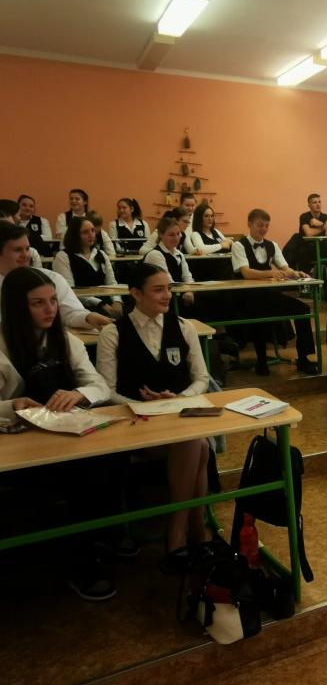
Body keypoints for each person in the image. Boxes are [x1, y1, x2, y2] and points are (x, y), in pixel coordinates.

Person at [0, 266, 113, 599]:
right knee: (74, 477)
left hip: (66, 434)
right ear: (17, 308)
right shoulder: (2, 346)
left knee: (106, 462)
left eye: (52, 300)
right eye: (38, 303)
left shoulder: (65, 340)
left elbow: (100, 386)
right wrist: (12, 405)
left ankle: (95, 539)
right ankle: (79, 558)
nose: (50, 309)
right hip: (20, 443)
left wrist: (79, 394)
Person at [96, 263, 211, 571]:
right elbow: (106, 391)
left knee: (196, 442)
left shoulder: (184, 327)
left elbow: (202, 378)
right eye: (158, 290)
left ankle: (182, 532)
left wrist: (179, 399)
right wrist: (141, 406)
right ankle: (191, 530)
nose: (167, 295)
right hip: (136, 422)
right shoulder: (112, 333)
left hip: (178, 415)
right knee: (198, 444)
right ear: (136, 293)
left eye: (169, 288)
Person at [231, 208, 318, 376]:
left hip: (267, 295)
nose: (263, 229)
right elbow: (246, 273)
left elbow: (284, 267)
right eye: (260, 225)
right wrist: (271, 273)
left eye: (266, 226)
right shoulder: (238, 245)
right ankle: (261, 361)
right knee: (260, 313)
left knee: (303, 310)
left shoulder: (272, 245)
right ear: (249, 224)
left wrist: (295, 273)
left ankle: (303, 358)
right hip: (247, 298)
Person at [0, 224, 110, 330]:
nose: (26, 255)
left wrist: (88, 317)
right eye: (17, 250)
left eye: (27, 249)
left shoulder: (50, 278)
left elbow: (71, 311)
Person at [52, 216, 123, 318]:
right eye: (85, 232)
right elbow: (70, 290)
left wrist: (117, 301)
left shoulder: (101, 254)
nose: (91, 235)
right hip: (81, 307)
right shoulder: (63, 257)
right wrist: (100, 304)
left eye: (93, 230)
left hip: (106, 304)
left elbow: (111, 283)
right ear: (75, 235)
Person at [143, 217, 195, 312]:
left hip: (176, 297)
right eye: (171, 235)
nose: (176, 238)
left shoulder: (179, 254)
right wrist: (185, 290)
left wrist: (189, 291)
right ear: (161, 234)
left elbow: (188, 277)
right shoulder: (155, 254)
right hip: (158, 302)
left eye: (178, 234)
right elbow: (169, 283)